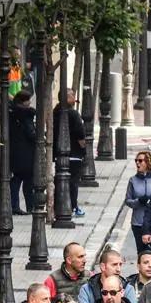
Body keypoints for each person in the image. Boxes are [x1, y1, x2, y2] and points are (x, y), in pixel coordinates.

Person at [53, 89, 87, 217]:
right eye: (72, 95)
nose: (74, 98)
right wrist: (84, 150)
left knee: (60, 181)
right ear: (66, 98)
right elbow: (80, 135)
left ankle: (60, 206)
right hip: (73, 155)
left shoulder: (56, 112)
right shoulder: (73, 114)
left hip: (59, 155)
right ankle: (72, 206)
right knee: (72, 182)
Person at [125, 151, 151, 248]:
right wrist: (139, 201)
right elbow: (128, 201)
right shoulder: (133, 180)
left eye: (140, 161)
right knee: (141, 253)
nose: (137, 163)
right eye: (136, 160)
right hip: (138, 222)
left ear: (149, 162)